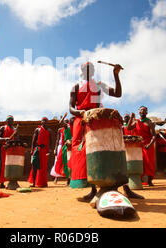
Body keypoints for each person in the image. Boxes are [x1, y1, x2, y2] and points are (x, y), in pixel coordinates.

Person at [69, 61, 136, 201]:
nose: (89, 71)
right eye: (86, 69)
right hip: (82, 121)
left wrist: (116, 75)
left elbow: (117, 94)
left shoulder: (99, 85)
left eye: (91, 68)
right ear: (81, 71)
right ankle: (93, 189)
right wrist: (80, 112)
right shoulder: (76, 87)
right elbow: (70, 108)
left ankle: (124, 187)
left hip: (98, 120)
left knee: (107, 149)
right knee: (85, 155)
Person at [126, 107, 157, 186]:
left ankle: (149, 180)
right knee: (140, 162)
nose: (142, 111)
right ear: (139, 112)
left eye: (144, 110)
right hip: (138, 145)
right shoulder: (136, 122)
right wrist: (131, 118)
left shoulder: (149, 122)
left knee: (149, 162)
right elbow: (128, 127)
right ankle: (140, 180)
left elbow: (154, 136)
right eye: (140, 110)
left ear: (146, 112)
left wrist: (150, 144)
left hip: (147, 144)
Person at [28, 117, 53, 188]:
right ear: (41, 122)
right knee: (35, 165)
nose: (44, 122)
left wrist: (50, 149)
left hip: (45, 150)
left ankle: (43, 183)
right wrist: (32, 150)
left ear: (47, 122)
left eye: (46, 121)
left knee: (43, 167)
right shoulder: (37, 129)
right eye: (43, 120)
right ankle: (33, 182)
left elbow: (51, 141)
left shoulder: (49, 130)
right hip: (37, 149)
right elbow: (34, 140)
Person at [0, 116, 16, 189]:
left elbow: (15, 139)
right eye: (8, 119)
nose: (10, 121)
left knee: (6, 166)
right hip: (2, 148)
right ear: (6, 121)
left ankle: (2, 183)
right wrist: (4, 139)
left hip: (9, 149)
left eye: (11, 120)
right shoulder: (2, 128)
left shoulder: (14, 129)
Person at [50, 118, 71, 184]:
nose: (66, 123)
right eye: (65, 122)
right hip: (60, 147)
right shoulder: (60, 130)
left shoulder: (70, 129)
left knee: (67, 162)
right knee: (57, 161)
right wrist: (55, 149)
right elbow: (57, 140)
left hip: (68, 146)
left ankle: (68, 180)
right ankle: (56, 178)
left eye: (67, 122)